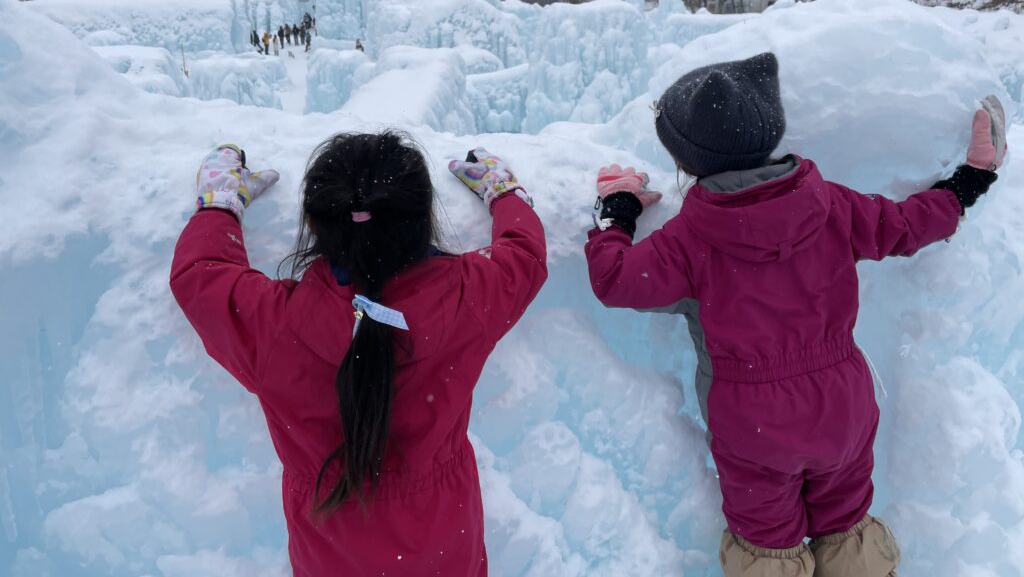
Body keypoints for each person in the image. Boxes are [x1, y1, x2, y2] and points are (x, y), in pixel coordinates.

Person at [584, 52, 1005, 577]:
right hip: (843, 407)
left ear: (688, 161)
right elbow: (906, 225)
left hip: (752, 424)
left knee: (767, 549)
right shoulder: (830, 203)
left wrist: (617, 210)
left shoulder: (690, 239)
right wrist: (971, 179)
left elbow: (617, 281)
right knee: (848, 528)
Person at [170, 136, 547, 576]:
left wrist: (219, 205)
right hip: (445, 542)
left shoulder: (273, 326)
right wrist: (503, 192)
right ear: (424, 217)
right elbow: (525, 256)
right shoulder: (466, 301)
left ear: (314, 222)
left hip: (331, 553)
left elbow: (200, 275)